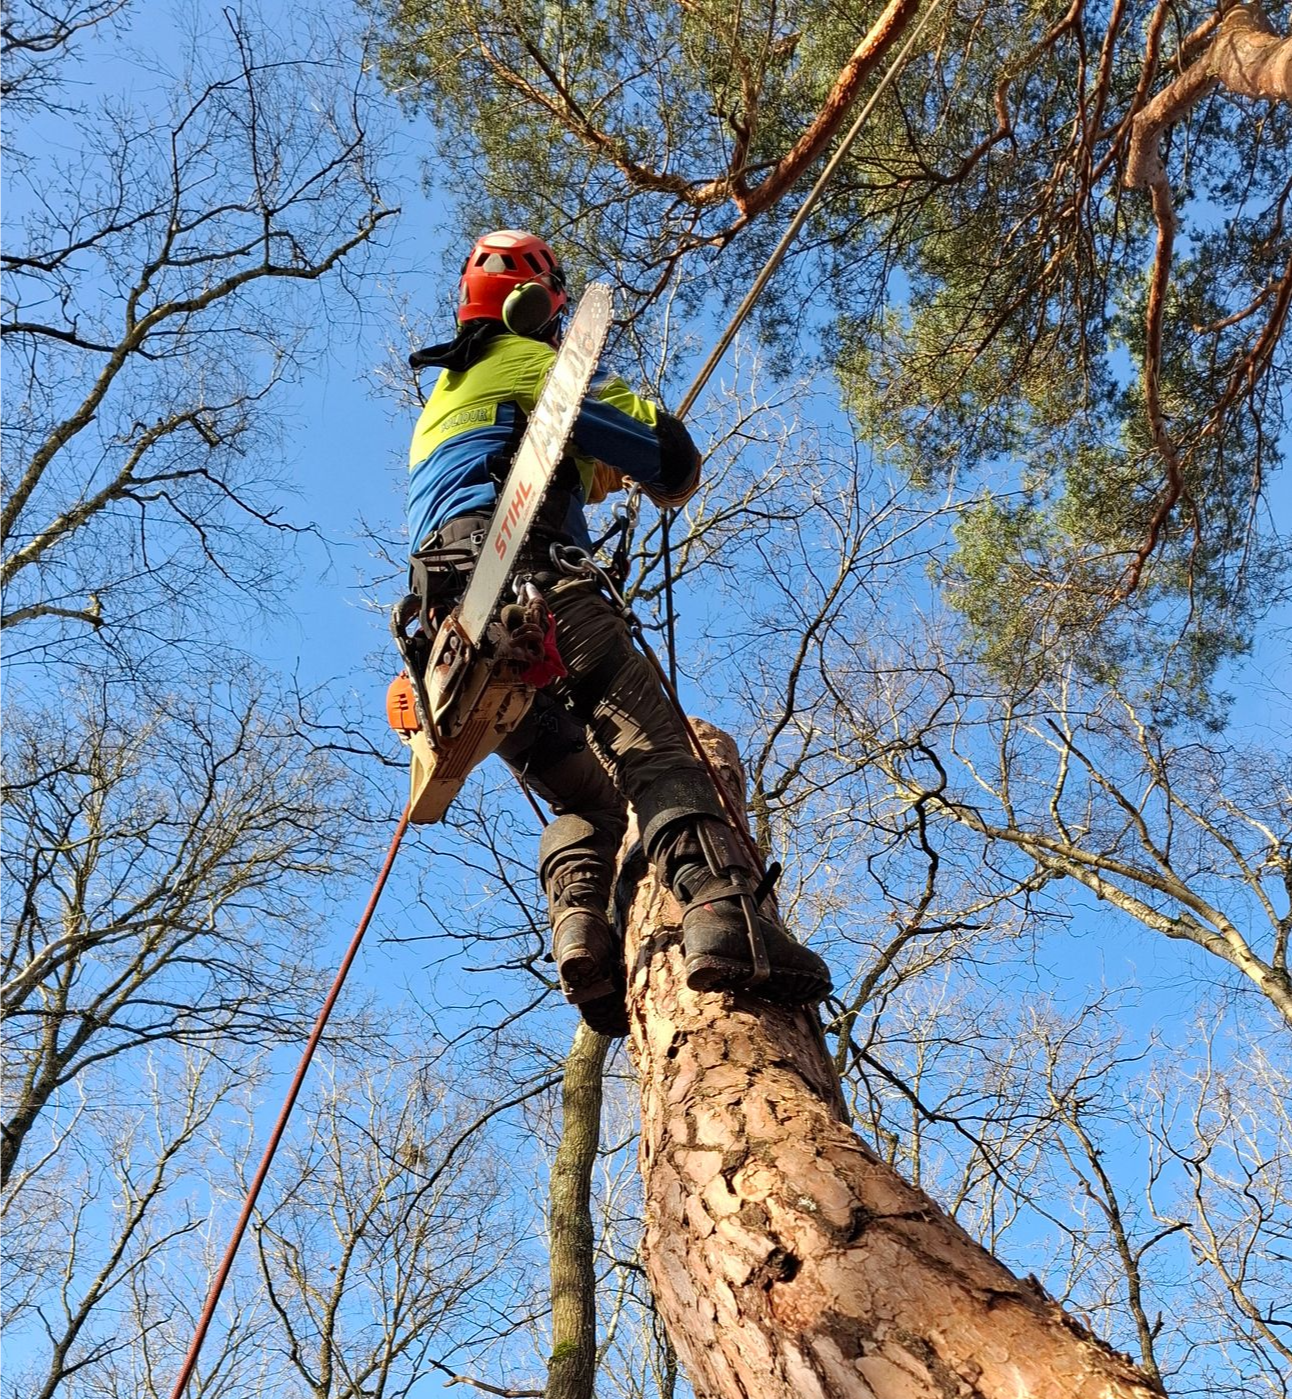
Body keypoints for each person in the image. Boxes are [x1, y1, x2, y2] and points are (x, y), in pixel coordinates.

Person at [407, 229, 831, 1035]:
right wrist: (651, 447)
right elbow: (664, 455)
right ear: (542, 306)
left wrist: (594, 473)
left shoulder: (448, 398)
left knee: (593, 801)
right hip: (536, 588)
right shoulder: (534, 364)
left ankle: (585, 938)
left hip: (460, 637)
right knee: (658, 747)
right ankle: (723, 910)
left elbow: (533, 456)